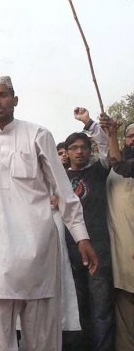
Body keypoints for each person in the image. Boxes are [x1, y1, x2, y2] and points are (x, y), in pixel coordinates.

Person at [0, 76, 98, 351]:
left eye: (3, 95)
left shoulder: (38, 135)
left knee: (43, 340)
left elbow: (64, 191)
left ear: (15, 100)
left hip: (37, 255)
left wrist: (81, 236)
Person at [63, 108, 114, 351]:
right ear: (68, 152)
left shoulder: (98, 172)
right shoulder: (59, 179)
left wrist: (89, 123)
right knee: (77, 308)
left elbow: (105, 148)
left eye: (84, 147)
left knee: (101, 309)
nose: (80, 151)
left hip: (99, 251)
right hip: (70, 255)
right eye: (74, 148)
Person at [104, 120, 134, 350]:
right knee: (125, 326)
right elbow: (115, 163)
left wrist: (112, 134)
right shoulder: (113, 169)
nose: (133, 140)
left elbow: (122, 166)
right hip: (120, 261)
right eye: (130, 136)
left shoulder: (126, 166)